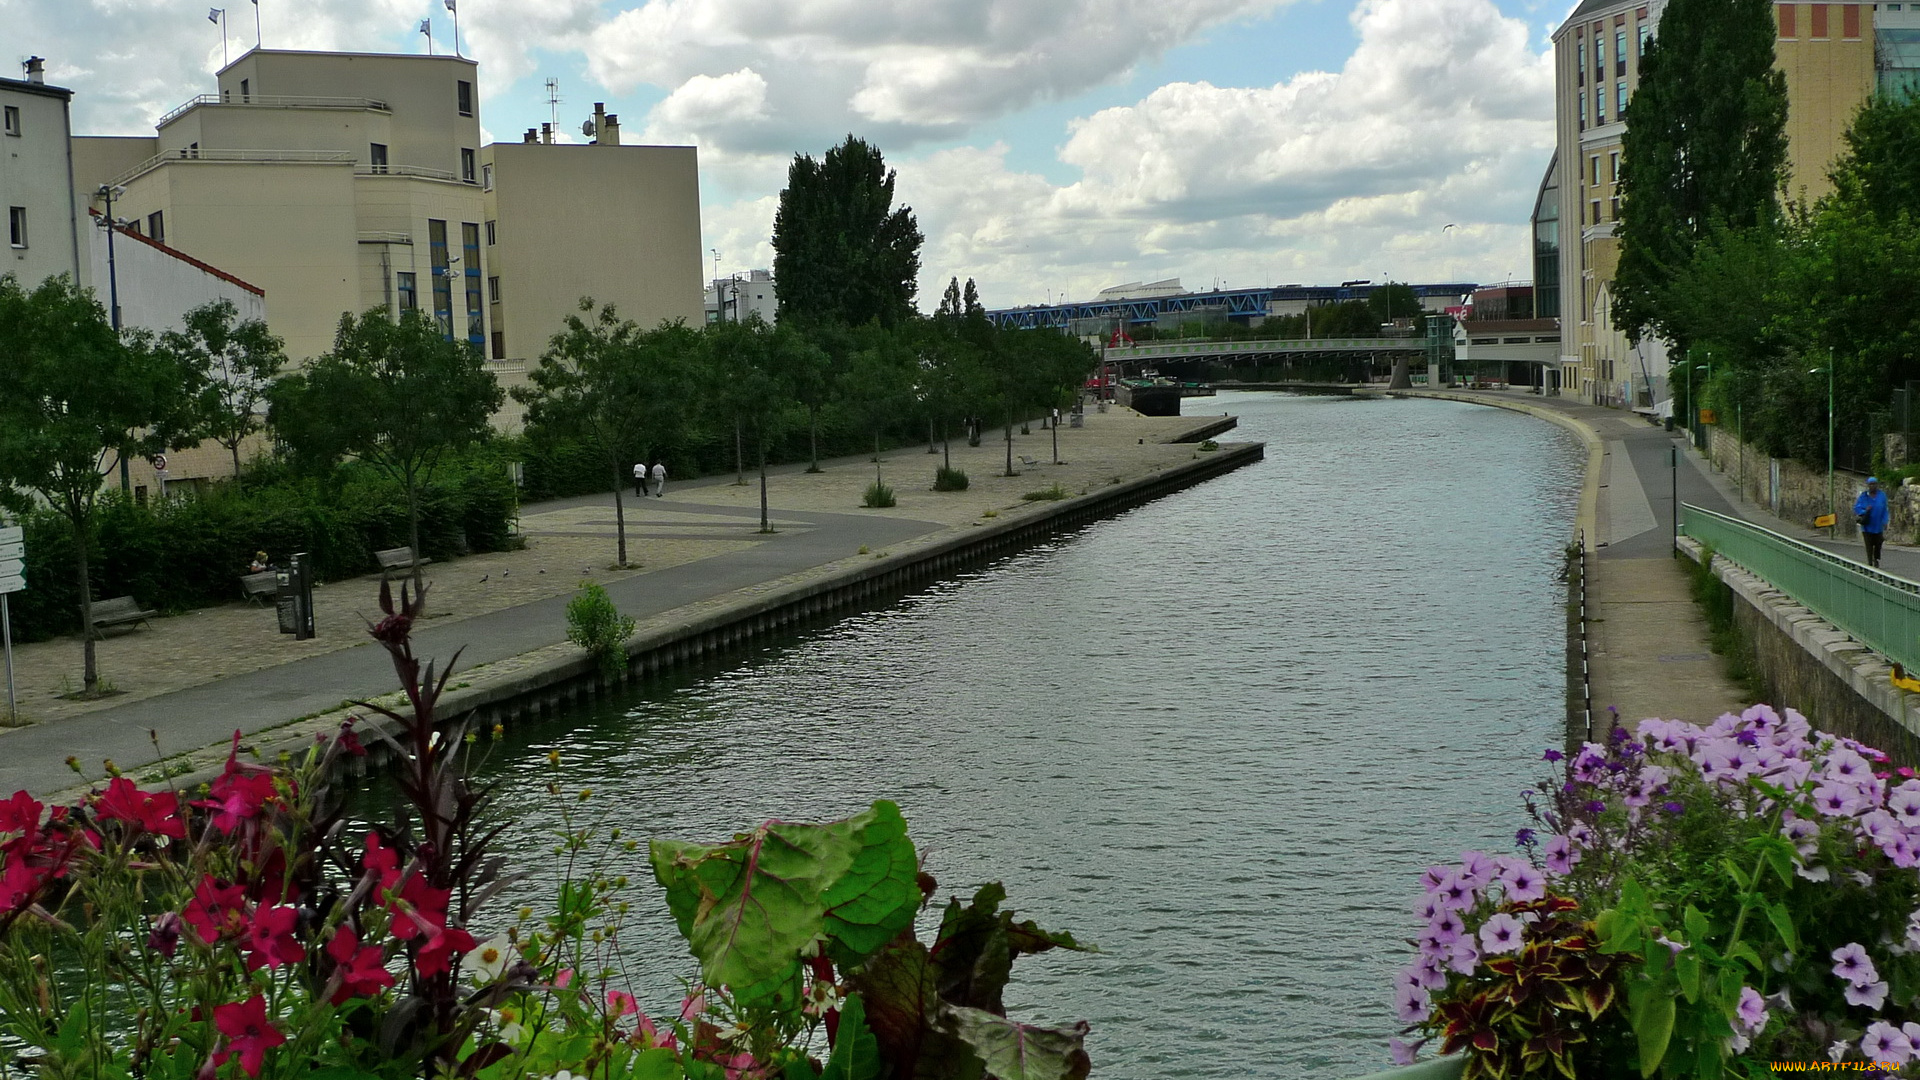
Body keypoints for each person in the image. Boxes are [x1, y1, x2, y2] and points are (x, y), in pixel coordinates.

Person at [1855, 476, 1889, 568]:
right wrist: (1865, 510)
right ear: (1868, 485)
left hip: (1878, 525)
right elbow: (1857, 508)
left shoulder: (1882, 495)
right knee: (1869, 545)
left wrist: (1885, 521)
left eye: (1874, 484)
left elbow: (1885, 509)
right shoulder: (1864, 496)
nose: (1872, 486)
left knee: (1878, 543)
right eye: (1870, 484)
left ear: (1877, 485)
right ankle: (1870, 562)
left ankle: (1876, 558)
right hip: (1867, 526)